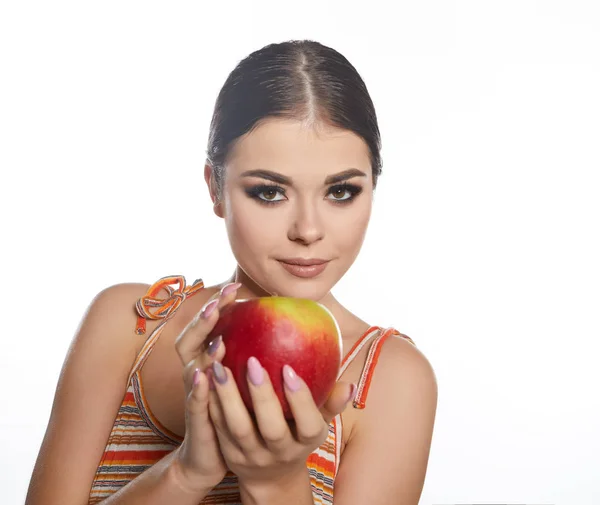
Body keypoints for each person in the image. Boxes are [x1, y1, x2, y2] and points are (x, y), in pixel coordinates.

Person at [25, 39, 438, 505]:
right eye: (269, 192)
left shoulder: (388, 381)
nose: (308, 229)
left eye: (341, 192)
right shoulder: (132, 323)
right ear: (216, 189)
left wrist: (276, 482)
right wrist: (185, 473)